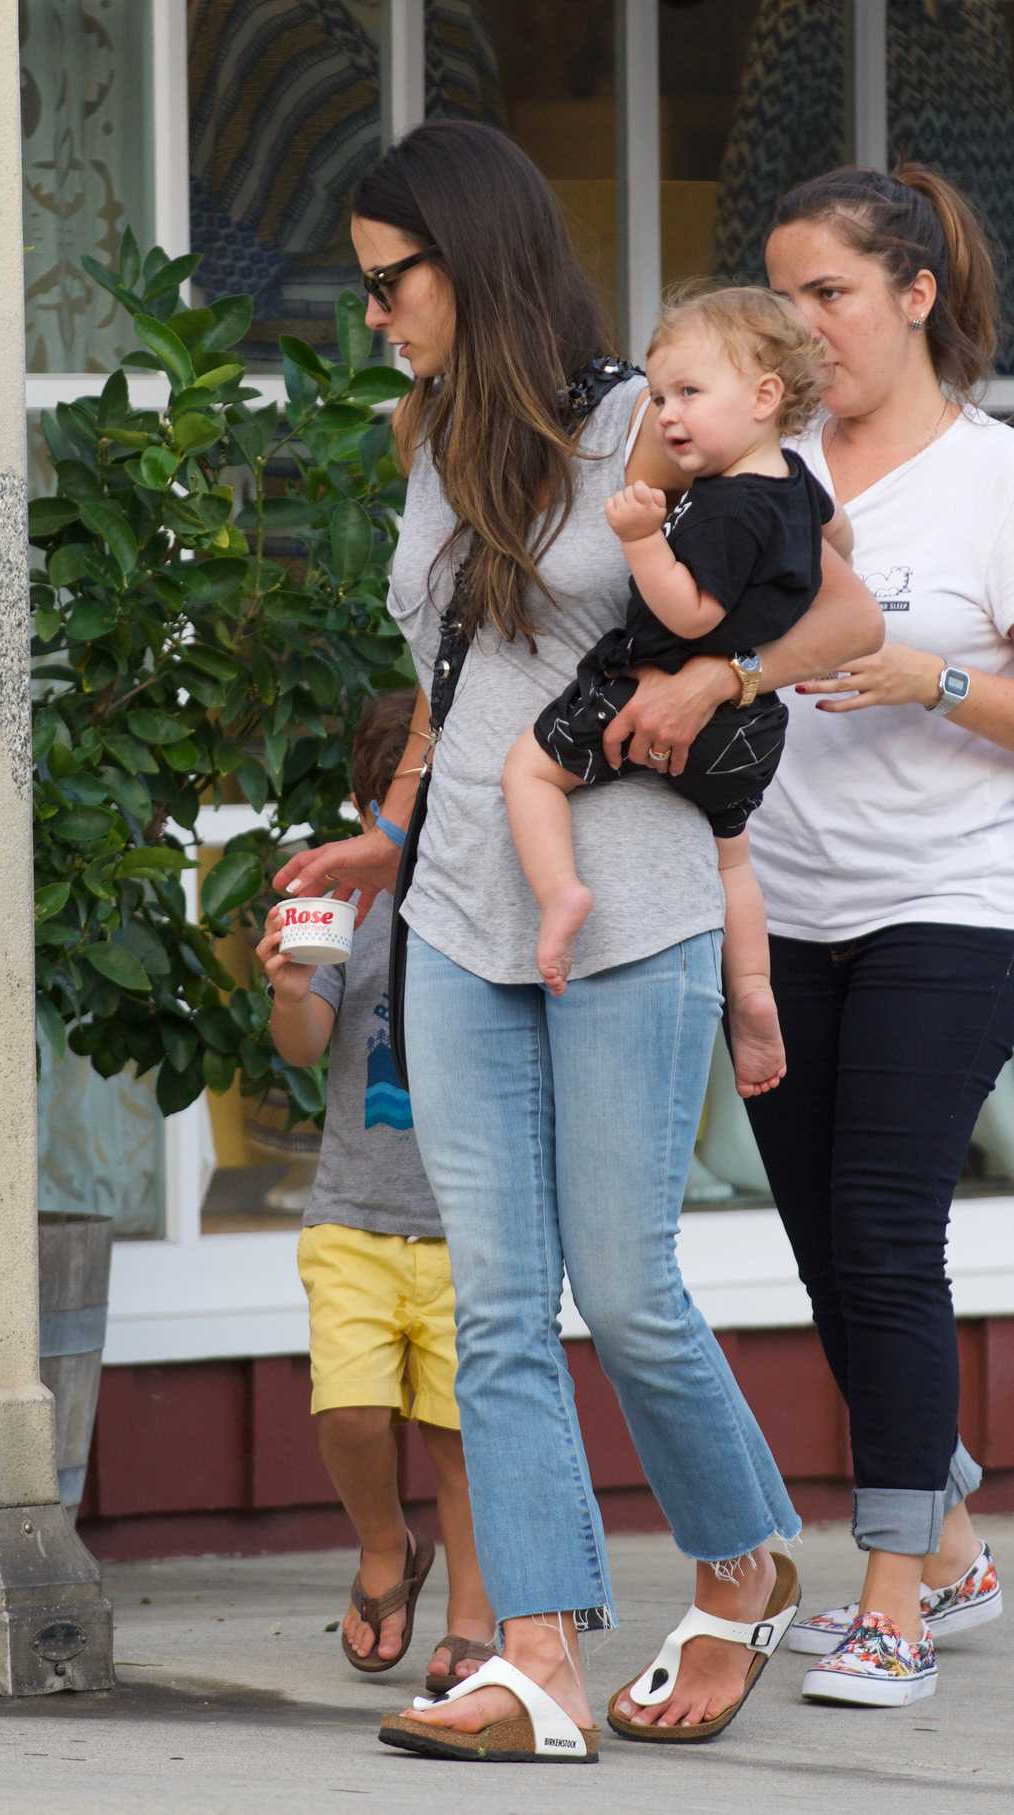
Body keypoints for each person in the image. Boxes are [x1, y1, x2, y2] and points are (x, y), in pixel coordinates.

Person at [274, 119, 882, 1763]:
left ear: (469, 255)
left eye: (391, 281)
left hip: (627, 910)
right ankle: (535, 1654)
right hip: (465, 910)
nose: (378, 314)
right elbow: (459, 682)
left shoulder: (648, 416)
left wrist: (714, 677)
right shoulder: (427, 436)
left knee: (626, 1291)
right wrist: (395, 831)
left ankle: (741, 1559)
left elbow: (845, 612)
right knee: (495, 1310)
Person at [741, 162, 1014, 1709]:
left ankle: (893, 1599)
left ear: (913, 296)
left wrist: (936, 683)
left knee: (885, 1239)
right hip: (777, 909)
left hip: (950, 904)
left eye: (829, 293)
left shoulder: (985, 482)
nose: (804, 325)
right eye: (780, 297)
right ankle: (959, 1534)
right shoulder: (766, 471)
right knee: (825, 1258)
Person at [503, 286, 852, 1106]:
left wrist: (638, 538)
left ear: (766, 396)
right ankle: (755, 984)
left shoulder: (724, 507)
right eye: (659, 396)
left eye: (690, 393)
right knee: (733, 858)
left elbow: (690, 608)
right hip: (752, 726)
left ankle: (560, 893)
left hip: (645, 697)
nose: (666, 414)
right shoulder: (794, 481)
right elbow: (841, 538)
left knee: (528, 772)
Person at [257, 690, 495, 1697]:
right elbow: (306, 1046)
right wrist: (284, 986)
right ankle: (382, 1545)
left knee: (457, 1437)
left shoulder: (487, 899)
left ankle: (475, 1612)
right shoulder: (344, 907)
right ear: (368, 806)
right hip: (353, 1211)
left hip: (463, 1226)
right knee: (350, 1413)